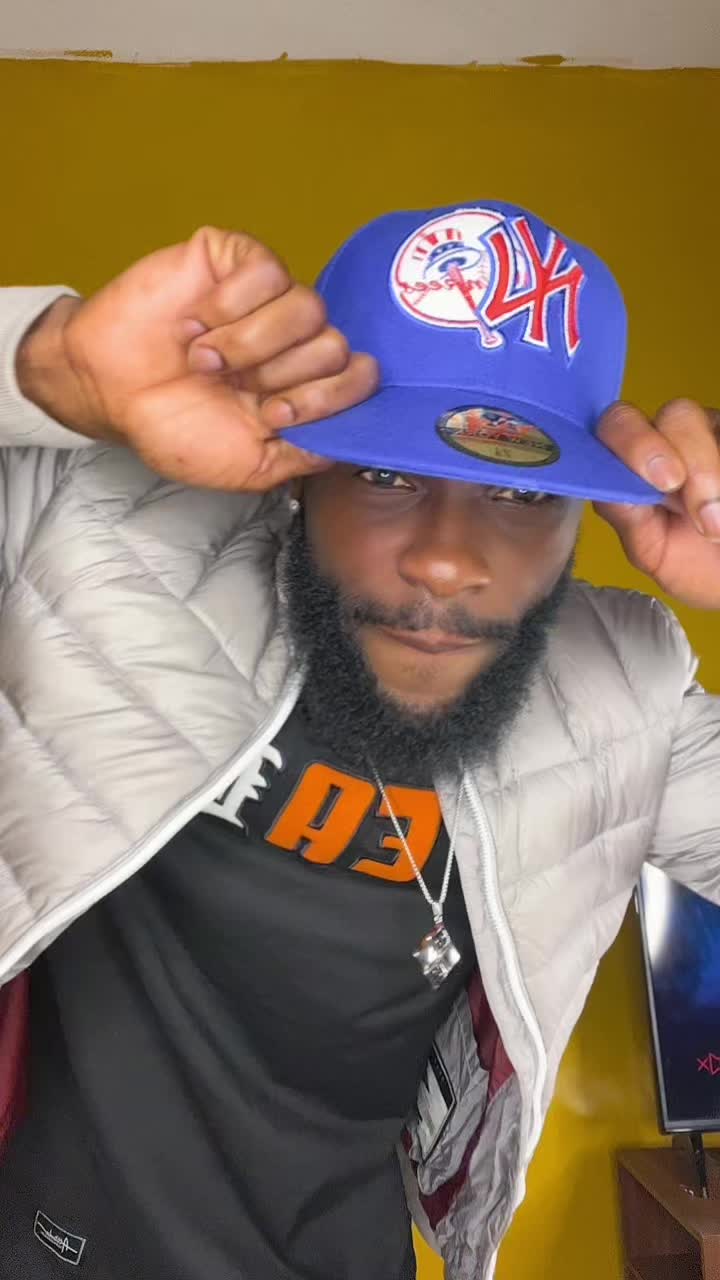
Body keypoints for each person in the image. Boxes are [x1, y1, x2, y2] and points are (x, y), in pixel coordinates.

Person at [0, 199, 718, 1280]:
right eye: (385, 472)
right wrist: (47, 364)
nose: (445, 559)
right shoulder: (98, 535)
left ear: (583, 510)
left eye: (520, 489)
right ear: (304, 462)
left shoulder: (625, 688)